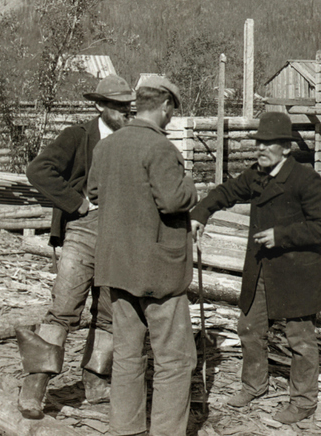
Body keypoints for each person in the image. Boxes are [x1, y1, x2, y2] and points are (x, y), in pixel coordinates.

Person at [191, 111, 321, 425]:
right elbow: (226, 192)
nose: (260, 148)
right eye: (258, 142)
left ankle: (303, 402)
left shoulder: (304, 179)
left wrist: (282, 235)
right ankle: (254, 385)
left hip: (297, 270)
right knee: (249, 328)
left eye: (268, 144)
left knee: (300, 338)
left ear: (285, 147)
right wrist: (200, 213)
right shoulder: (257, 175)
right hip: (260, 269)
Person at [15, 74, 135, 419]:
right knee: (64, 309)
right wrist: (77, 204)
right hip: (83, 231)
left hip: (120, 234)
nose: (126, 112)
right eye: (118, 107)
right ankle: (34, 388)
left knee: (110, 312)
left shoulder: (133, 139)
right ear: (100, 106)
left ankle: (96, 383)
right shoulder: (78, 137)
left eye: (129, 107)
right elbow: (38, 170)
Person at [88, 75, 201, 436]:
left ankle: (127, 429)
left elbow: (93, 191)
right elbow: (172, 201)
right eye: (172, 110)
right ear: (166, 105)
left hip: (117, 268)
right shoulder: (162, 149)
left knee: (127, 357)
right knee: (174, 360)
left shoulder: (106, 147)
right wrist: (192, 187)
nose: (170, 117)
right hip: (159, 275)